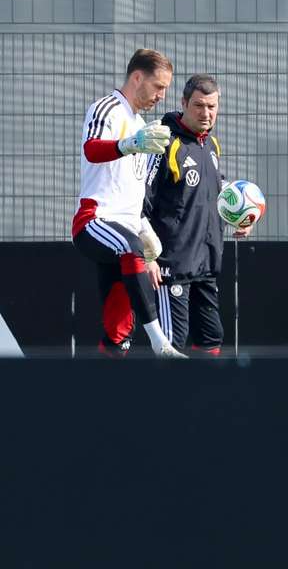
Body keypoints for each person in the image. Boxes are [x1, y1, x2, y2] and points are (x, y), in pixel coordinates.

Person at [71, 48, 186, 358]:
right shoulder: (107, 108)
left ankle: (102, 395)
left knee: (119, 332)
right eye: (158, 86)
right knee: (129, 246)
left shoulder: (140, 126)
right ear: (137, 77)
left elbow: (132, 193)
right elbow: (92, 150)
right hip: (94, 221)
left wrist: (146, 234)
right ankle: (161, 343)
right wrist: (129, 144)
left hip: (126, 231)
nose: (162, 95)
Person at [144, 74, 251, 356]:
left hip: (205, 264)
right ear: (184, 103)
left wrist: (240, 217)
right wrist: (149, 256)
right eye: (199, 106)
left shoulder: (211, 145)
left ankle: (205, 399)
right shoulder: (164, 143)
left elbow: (213, 194)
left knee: (211, 337)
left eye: (212, 107)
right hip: (171, 267)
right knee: (170, 344)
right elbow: (141, 202)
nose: (206, 113)